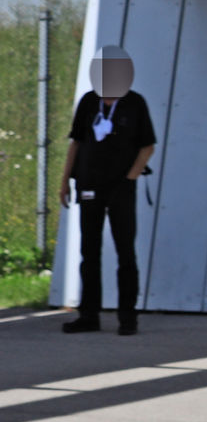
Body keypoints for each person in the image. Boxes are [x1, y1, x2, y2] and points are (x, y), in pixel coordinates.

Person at [58, 45, 156, 335]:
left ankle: (128, 316)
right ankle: (89, 314)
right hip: (89, 185)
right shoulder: (89, 102)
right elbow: (76, 142)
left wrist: (129, 180)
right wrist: (65, 180)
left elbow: (147, 146)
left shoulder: (135, 103)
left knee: (125, 251)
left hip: (121, 188)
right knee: (89, 251)